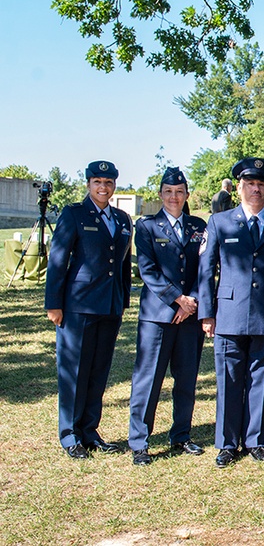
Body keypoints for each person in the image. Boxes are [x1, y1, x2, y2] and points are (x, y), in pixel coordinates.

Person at [199, 157, 264, 468]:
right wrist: (207, 313)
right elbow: (206, 270)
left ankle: (256, 441)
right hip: (229, 314)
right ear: (239, 187)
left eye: (261, 184)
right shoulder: (219, 222)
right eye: (250, 183)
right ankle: (226, 443)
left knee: (261, 379)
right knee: (229, 379)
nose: (256, 189)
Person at [45, 160, 132, 459]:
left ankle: (90, 430)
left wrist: (123, 301)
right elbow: (58, 260)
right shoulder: (74, 214)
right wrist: (54, 304)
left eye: (108, 183)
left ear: (114, 186)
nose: (103, 187)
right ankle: (70, 434)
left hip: (110, 306)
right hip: (78, 305)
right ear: (88, 184)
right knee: (74, 371)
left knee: (98, 370)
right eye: (97, 182)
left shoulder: (122, 219)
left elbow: (122, 265)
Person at [128, 167, 207, 465]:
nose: (174, 197)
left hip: (190, 317)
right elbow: (147, 270)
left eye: (179, 191)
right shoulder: (147, 227)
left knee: (186, 379)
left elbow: (205, 267)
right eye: (168, 192)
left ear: (186, 194)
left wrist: (193, 301)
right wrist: (178, 299)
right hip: (158, 315)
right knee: (148, 380)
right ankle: (139, 442)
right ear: (160, 195)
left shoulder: (199, 226)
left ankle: (181, 436)